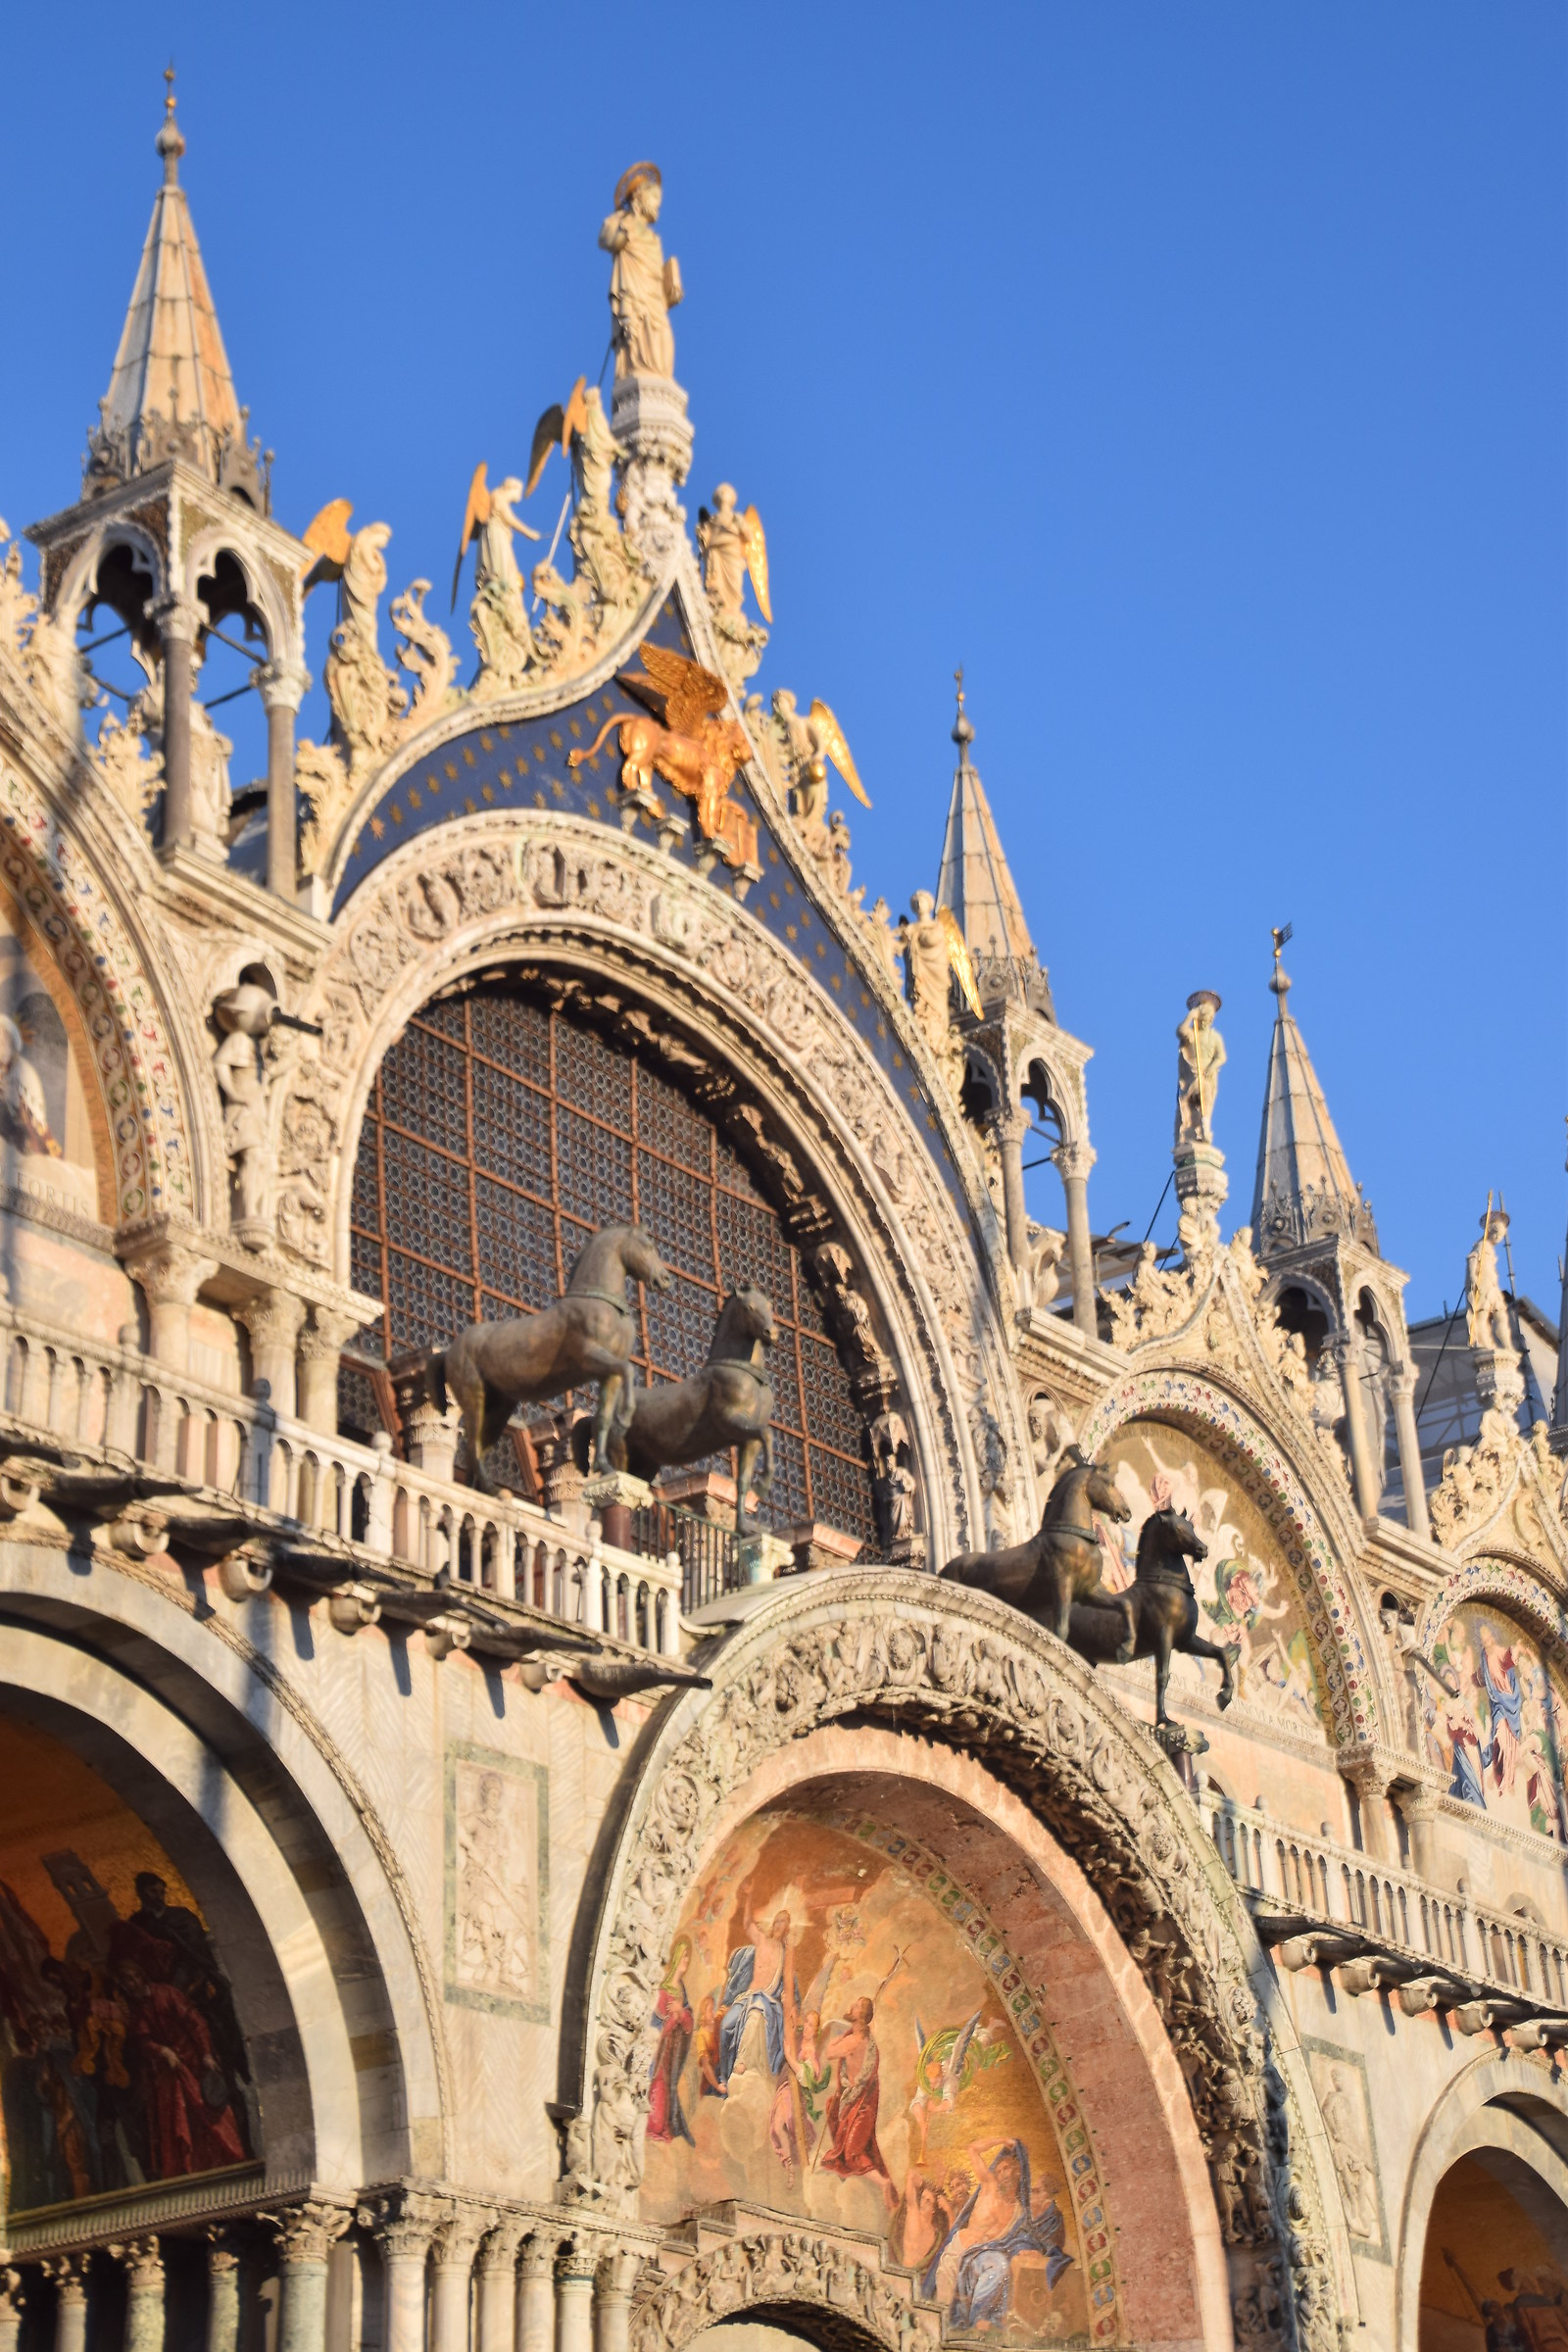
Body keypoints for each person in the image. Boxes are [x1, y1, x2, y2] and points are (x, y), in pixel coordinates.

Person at [922, 2139, 1072, 2329]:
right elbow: (972, 2148)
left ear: (1018, 2172)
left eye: (1008, 2168)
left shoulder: (1019, 2211)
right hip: (958, 2254)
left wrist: (1030, 2251)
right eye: (999, 2170)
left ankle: (980, 2321)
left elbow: (1021, 2239)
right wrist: (1002, 2140)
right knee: (941, 2314)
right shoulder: (989, 2187)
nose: (1003, 2174)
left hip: (983, 2258)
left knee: (999, 2265)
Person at [600, 164, 681, 379]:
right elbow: (606, 240)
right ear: (639, 197)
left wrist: (670, 290)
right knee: (637, 345)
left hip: (655, 301)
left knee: (664, 341)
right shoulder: (622, 222)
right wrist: (627, 229)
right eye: (655, 200)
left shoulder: (655, 239)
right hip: (634, 296)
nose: (658, 207)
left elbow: (655, 275)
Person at [818, 1996, 897, 2210]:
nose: (850, 2006)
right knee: (830, 2108)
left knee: (852, 2154)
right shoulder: (861, 2038)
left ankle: (883, 2184)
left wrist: (840, 2033)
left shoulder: (854, 2041)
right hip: (854, 2102)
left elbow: (829, 2052)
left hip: (860, 2106)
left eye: (856, 2006)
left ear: (860, 2017)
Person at [715, 1905, 795, 2087]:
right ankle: (724, 2075)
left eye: (783, 1921)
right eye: (776, 1920)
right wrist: (749, 1898)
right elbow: (746, 1924)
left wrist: (791, 2010)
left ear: (787, 1928)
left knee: (755, 2017)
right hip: (748, 1997)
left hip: (767, 2001)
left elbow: (789, 1984)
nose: (777, 1924)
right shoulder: (762, 1940)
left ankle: (742, 2061)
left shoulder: (786, 1952)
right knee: (726, 2025)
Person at [647, 1943, 694, 2146]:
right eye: (684, 1956)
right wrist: (674, 2019)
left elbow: (690, 2025)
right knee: (655, 2124)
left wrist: (680, 2013)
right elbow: (654, 2028)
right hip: (658, 2058)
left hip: (671, 2061)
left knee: (665, 2115)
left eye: (688, 1957)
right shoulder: (663, 1992)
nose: (687, 1961)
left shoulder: (682, 1993)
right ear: (675, 1959)